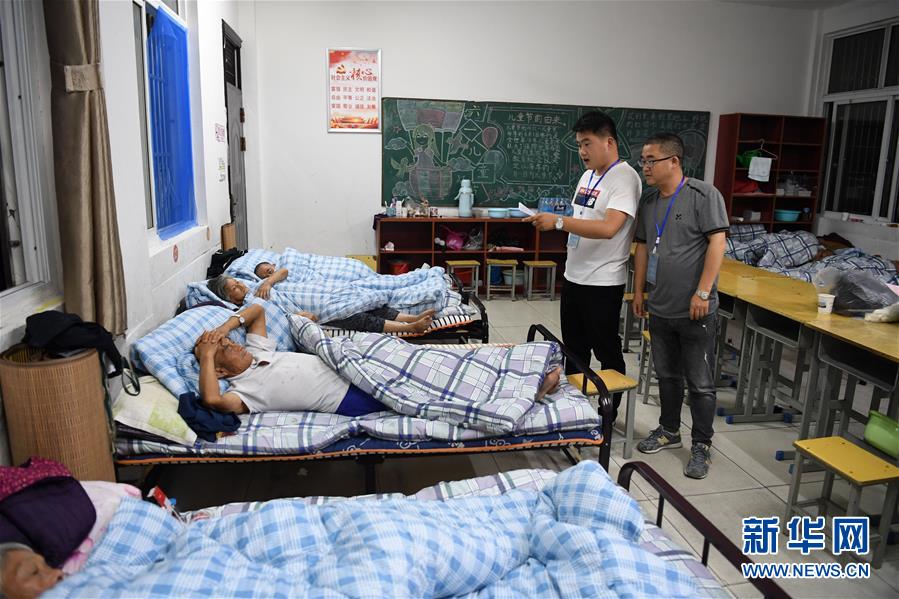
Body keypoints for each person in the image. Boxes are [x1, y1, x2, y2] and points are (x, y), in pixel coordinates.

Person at [194, 304, 561, 416]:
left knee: (430, 358)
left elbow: (257, 310)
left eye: (228, 341)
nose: (233, 344)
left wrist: (226, 326)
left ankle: (516, 365)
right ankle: (528, 392)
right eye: (225, 348)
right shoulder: (245, 390)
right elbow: (212, 400)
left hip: (355, 359)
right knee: (433, 390)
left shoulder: (258, 353)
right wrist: (208, 354)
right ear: (220, 369)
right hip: (353, 392)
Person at [523, 110, 641, 424]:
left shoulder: (625, 177)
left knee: (606, 350)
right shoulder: (588, 176)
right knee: (574, 349)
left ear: (609, 142)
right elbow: (583, 220)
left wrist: (559, 222)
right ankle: (576, 410)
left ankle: (607, 414)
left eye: (587, 143)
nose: (582, 151)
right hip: (574, 275)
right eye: (578, 145)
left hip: (603, 281)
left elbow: (609, 228)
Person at [632, 132, 728, 480]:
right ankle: (669, 430)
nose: (645, 167)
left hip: (695, 309)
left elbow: (718, 242)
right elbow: (643, 247)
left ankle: (701, 444)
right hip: (660, 306)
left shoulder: (704, 195)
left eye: (651, 160)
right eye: (643, 161)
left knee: (699, 382)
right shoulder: (649, 202)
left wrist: (703, 292)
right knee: (667, 375)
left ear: (673, 161)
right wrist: (639, 291)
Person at [206, 274, 435, 334]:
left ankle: (411, 318)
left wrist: (268, 281)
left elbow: (284, 271)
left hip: (320, 293)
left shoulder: (257, 285)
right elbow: (278, 314)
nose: (240, 285)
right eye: (235, 287)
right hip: (316, 309)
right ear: (230, 298)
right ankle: (409, 327)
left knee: (367, 303)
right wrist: (300, 316)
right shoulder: (251, 304)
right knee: (357, 318)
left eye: (237, 282)